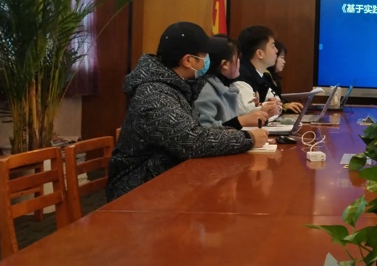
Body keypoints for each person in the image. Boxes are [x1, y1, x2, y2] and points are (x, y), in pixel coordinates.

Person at [107, 22, 269, 200]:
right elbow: (192, 141)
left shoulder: (177, 87)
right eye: (204, 55)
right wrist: (248, 139)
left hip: (168, 180)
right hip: (139, 190)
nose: (208, 60)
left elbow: (199, 131)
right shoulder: (154, 94)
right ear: (188, 61)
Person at [194, 34, 271, 129]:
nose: (239, 62)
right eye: (237, 58)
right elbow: (204, 130)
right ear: (225, 64)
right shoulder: (206, 90)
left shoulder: (229, 86)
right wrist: (241, 121)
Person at [265, 40, 302, 113]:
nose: (284, 62)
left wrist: (285, 105)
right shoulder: (264, 76)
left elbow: (277, 99)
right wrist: (284, 106)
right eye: (281, 57)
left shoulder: (274, 78)